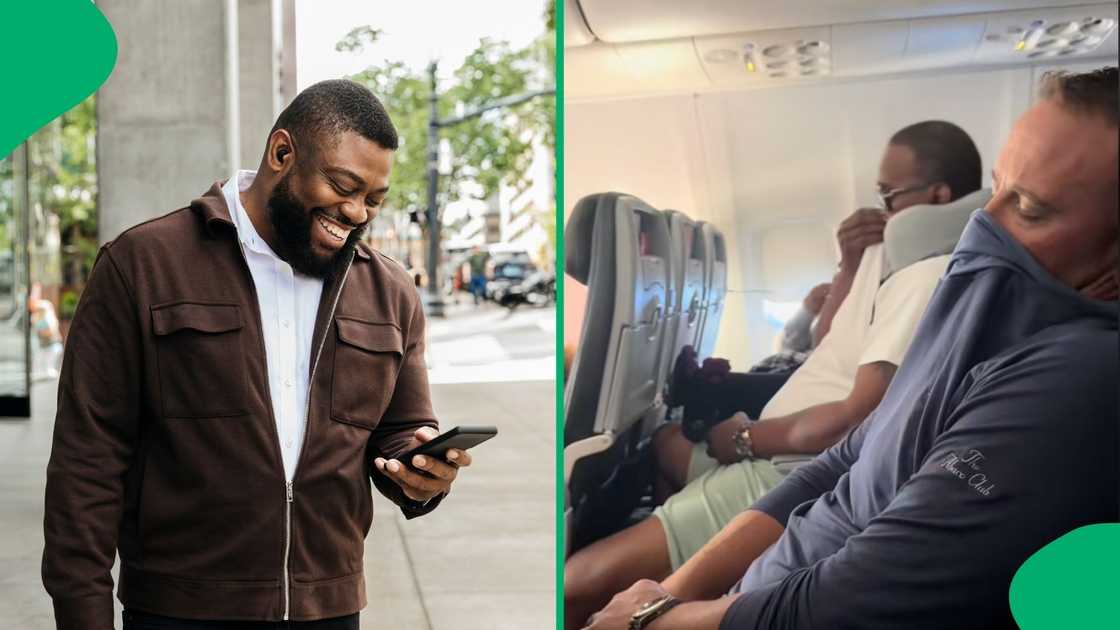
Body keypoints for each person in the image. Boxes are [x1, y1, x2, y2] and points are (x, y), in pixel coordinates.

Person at [583, 66, 1118, 630]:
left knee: (580, 579)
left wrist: (648, 622)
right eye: (998, 186)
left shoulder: (1081, 374)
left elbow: (855, 598)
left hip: (781, 605)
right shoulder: (986, 317)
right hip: (761, 586)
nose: (980, 223)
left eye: (1030, 208)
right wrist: (663, 596)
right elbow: (845, 458)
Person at [42, 80, 475, 630]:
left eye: (373, 199)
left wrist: (421, 471)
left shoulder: (389, 291)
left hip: (331, 610)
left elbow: (401, 430)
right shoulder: (142, 265)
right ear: (282, 153)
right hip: (179, 610)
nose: (357, 212)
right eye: (344, 186)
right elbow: (87, 464)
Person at [566, 119, 986, 629]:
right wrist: (850, 262)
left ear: (938, 194)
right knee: (663, 446)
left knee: (574, 585)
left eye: (887, 194)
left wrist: (745, 439)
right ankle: (673, 556)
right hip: (780, 454)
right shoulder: (892, 257)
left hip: (786, 463)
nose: (879, 209)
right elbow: (825, 341)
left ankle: (665, 572)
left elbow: (854, 419)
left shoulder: (929, 276)